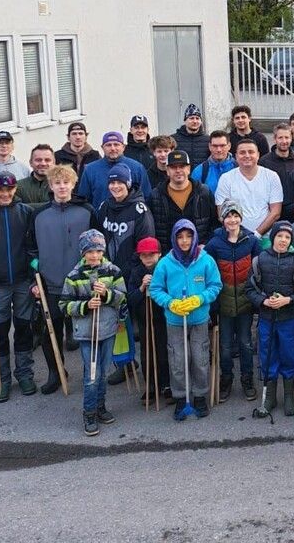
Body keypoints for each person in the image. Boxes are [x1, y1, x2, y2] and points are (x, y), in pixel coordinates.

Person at [30, 165, 99, 393]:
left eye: (65, 182)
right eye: (57, 183)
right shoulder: (38, 214)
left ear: (73, 184)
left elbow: (99, 246)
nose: (61, 187)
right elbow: (31, 251)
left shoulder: (87, 211)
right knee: (51, 330)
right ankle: (56, 371)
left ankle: (92, 371)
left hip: (82, 283)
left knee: (86, 330)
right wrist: (34, 279)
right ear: (51, 186)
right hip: (50, 283)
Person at [148, 219, 221, 421]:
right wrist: (169, 302)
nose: (184, 241)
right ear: (174, 238)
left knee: (199, 358)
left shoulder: (206, 261)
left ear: (195, 237)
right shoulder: (165, 263)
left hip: (198, 318)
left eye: (188, 236)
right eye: (180, 237)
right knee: (178, 360)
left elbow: (215, 285)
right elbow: (155, 289)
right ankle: (181, 396)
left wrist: (200, 298)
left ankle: (199, 395)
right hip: (174, 320)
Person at [0, 171, 38, 400]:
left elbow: (33, 247)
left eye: (9, 189)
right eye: (0, 189)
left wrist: (34, 274)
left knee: (23, 329)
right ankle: (2, 378)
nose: (5, 193)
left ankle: (24, 374)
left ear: (15, 189)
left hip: (22, 281)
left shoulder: (25, 212)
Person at [61, 229, 126, 435]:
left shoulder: (113, 271)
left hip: (107, 329)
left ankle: (100, 406)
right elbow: (64, 304)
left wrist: (107, 294)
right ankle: (88, 412)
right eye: (90, 251)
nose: (94, 255)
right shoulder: (74, 276)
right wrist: (86, 305)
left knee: (103, 372)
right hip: (86, 333)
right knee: (91, 374)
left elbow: (123, 298)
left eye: (98, 251)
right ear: (83, 253)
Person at [96, 163, 154, 386]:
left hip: (133, 276)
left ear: (128, 184)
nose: (115, 186)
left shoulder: (140, 210)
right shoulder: (104, 207)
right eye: (112, 182)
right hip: (109, 275)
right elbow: (98, 239)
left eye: (120, 182)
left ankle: (150, 370)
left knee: (141, 323)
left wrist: (133, 272)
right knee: (119, 323)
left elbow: (146, 246)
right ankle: (125, 365)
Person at [247, 221, 294, 417]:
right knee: (267, 355)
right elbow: (249, 289)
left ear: (291, 241)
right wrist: (263, 301)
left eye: (287, 237)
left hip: (288, 318)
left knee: (289, 355)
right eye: (280, 236)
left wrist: (288, 300)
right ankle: (270, 397)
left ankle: (289, 396)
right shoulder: (260, 260)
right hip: (266, 318)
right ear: (273, 238)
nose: (283, 240)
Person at [207, 202, 260, 400]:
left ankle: (247, 379)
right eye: (228, 216)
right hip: (224, 305)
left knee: (246, 344)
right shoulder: (214, 244)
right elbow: (209, 274)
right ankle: (226, 379)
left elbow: (258, 271)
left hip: (246, 303)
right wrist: (213, 307)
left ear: (241, 217)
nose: (232, 220)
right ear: (222, 219)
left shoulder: (252, 241)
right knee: (226, 346)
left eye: (235, 215)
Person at [149, 150, 217, 251]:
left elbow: (214, 223)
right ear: (167, 171)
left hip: (198, 254)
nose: (178, 170)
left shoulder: (204, 192)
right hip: (168, 255)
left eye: (182, 166)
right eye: (173, 167)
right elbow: (152, 229)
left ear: (189, 169)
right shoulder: (155, 195)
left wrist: (206, 244)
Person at [215, 139, 283, 237]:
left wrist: (257, 234)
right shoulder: (226, 178)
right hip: (235, 238)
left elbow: (276, 212)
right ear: (236, 156)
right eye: (242, 152)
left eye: (251, 152)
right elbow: (221, 212)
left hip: (266, 238)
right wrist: (239, 234)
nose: (247, 156)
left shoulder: (272, 176)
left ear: (258, 155)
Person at [129, 237, 170, 401]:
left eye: (151, 254)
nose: (148, 258)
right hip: (144, 319)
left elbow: (170, 292)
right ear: (139, 257)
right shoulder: (136, 272)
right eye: (144, 255)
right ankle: (151, 386)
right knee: (147, 354)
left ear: (159, 254)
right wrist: (141, 287)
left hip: (162, 318)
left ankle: (167, 384)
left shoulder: (164, 269)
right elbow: (131, 299)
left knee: (164, 352)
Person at [77, 132, 152, 209]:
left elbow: (146, 197)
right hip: (99, 219)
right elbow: (84, 201)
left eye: (116, 144)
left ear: (123, 147)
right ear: (102, 147)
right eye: (108, 145)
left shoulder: (137, 168)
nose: (112, 148)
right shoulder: (90, 170)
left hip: (130, 219)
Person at [193, 130, 235, 194]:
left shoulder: (239, 168)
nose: (219, 150)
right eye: (215, 146)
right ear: (210, 146)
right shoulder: (199, 171)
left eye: (222, 145)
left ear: (229, 146)